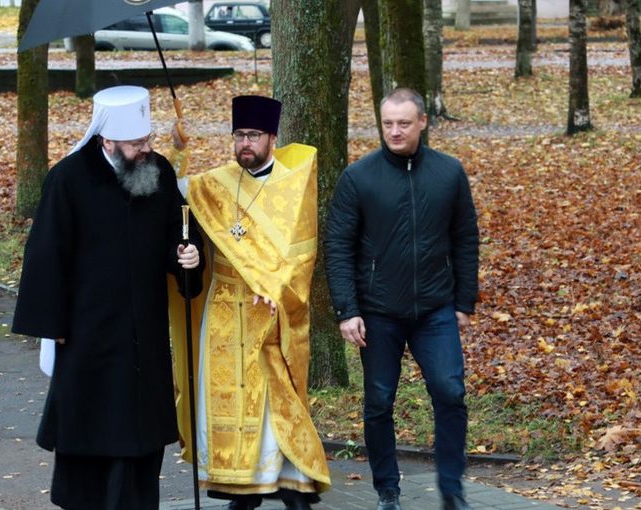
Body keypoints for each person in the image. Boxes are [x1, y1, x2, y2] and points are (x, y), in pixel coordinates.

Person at [12, 85, 204, 510]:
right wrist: (54, 327)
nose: (146, 150)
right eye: (137, 144)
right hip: (89, 338)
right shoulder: (68, 179)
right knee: (93, 444)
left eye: (149, 140)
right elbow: (46, 255)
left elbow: (178, 228)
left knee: (140, 446)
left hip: (145, 336)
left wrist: (188, 256)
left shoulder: (159, 173)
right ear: (107, 141)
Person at [171, 95, 331, 510]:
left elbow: (302, 254)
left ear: (272, 138)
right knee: (230, 402)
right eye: (239, 135)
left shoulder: (292, 185)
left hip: (271, 313)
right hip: (223, 311)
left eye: (253, 136)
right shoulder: (216, 184)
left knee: (274, 404)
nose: (245, 143)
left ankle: (289, 484)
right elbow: (170, 193)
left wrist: (275, 285)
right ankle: (240, 488)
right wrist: (178, 149)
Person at [324, 87, 479, 510]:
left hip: (435, 309)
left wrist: (464, 302)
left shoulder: (449, 173)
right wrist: (347, 310)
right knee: (378, 402)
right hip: (377, 313)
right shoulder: (359, 177)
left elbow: (465, 238)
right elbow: (338, 245)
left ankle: (452, 488)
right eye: (387, 123)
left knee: (449, 392)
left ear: (423, 122)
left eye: (404, 123)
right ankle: (387, 491)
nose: (394, 131)